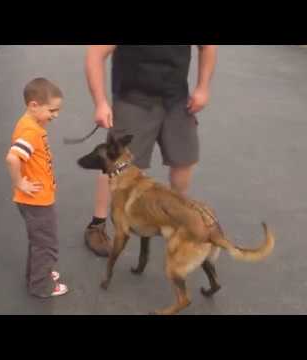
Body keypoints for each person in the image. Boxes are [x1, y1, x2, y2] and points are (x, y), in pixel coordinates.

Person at [84, 45, 218, 257]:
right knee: (115, 164)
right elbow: (95, 54)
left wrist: (203, 88)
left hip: (176, 100)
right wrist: (100, 103)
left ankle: (176, 219)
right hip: (133, 99)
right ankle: (97, 225)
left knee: (184, 161)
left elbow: (207, 47)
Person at [5, 77, 69, 297]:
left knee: (38, 241)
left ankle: (37, 274)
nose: (55, 115)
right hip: (36, 201)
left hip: (34, 199)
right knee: (46, 245)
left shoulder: (29, 124)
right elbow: (13, 158)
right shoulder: (30, 132)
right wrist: (19, 182)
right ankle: (41, 286)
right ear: (34, 105)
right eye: (52, 110)